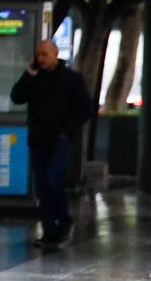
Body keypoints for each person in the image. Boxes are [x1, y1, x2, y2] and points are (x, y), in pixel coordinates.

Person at [9, 40, 93, 248]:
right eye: (38, 55)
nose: (41, 59)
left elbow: (84, 109)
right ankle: (49, 230)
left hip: (59, 139)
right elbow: (17, 97)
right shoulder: (35, 78)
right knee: (42, 185)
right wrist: (28, 75)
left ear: (55, 54)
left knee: (52, 178)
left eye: (45, 54)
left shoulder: (71, 79)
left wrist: (66, 131)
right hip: (38, 138)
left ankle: (63, 220)